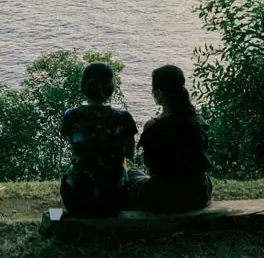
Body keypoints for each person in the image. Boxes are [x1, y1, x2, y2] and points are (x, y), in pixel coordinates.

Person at [127, 64, 213, 213]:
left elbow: (151, 165)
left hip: (164, 195)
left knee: (131, 175)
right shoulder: (197, 122)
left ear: (159, 93)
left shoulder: (153, 126)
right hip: (199, 192)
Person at [60, 61, 137, 217]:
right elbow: (129, 153)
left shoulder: (72, 117)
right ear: (111, 89)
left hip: (77, 199)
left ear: (84, 87)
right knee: (134, 175)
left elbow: (76, 150)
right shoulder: (123, 118)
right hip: (114, 201)